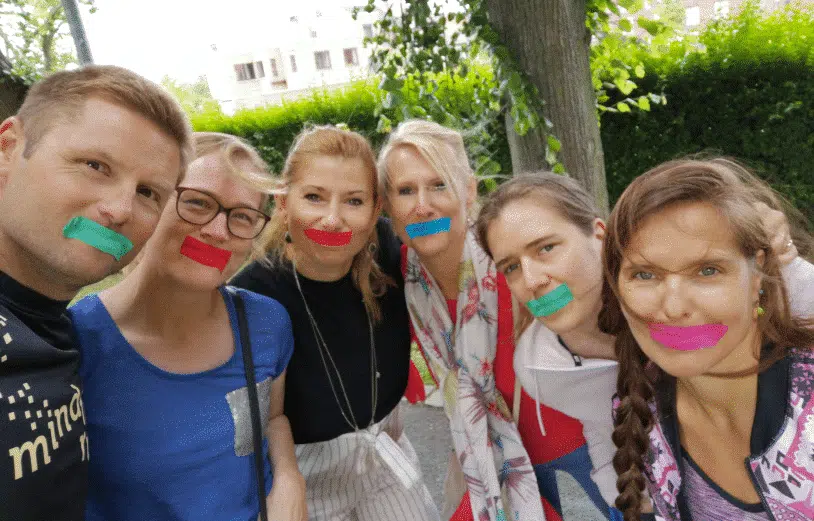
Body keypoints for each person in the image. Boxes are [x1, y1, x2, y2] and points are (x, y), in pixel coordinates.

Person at [474, 170, 814, 521]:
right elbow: (602, 430)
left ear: (600, 236)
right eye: (511, 267)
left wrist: (781, 253)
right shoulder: (543, 369)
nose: (532, 281)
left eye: (546, 248)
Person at [69, 132, 304, 521]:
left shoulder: (266, 323)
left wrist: (289, 477)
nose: (217, 231)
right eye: (197, 203)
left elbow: (273, 417)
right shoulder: (73, 344)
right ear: (151, 204)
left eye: (242, 216)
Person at [0, 65, 192, 521]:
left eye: (148, 193)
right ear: (8, 149)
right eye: (95, 166)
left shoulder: (62, 329)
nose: (120, 210)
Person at [231, 125, 439, 521]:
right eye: (314, 197)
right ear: (283, 202)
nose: (332, 219)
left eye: (354, 201)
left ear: (375, 210)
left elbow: (454, 247)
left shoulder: (390, 252)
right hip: (306, 477)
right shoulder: (252, 296)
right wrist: (284, 482)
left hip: (386, 456)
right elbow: (253, 419)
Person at [603, 159, 814, 521]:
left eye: (707, 270)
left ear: (758, 275)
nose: (673, 308)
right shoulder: (641, 412)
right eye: (645, 274)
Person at [378, 120, 552, 521]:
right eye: (406, 191)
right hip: (476, 456)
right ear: (387, 206)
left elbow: (576, 309)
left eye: (439, 185)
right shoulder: (394, 277)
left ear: (469, 190)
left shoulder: (513, 258)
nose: (423, 206)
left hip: (572, 446)